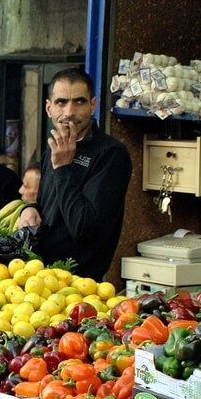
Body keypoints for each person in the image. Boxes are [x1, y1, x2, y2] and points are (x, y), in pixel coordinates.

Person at [16, 69, 132, 280]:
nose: (69, 112)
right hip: (41, 278)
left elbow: (84, 228)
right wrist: (30, 208)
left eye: (79, 102)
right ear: (48, 108)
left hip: (80, 286)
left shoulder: (111, 154)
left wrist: (63, 168)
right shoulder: (54, 148)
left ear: (93, 106)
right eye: (61, 102)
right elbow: (47, 203)